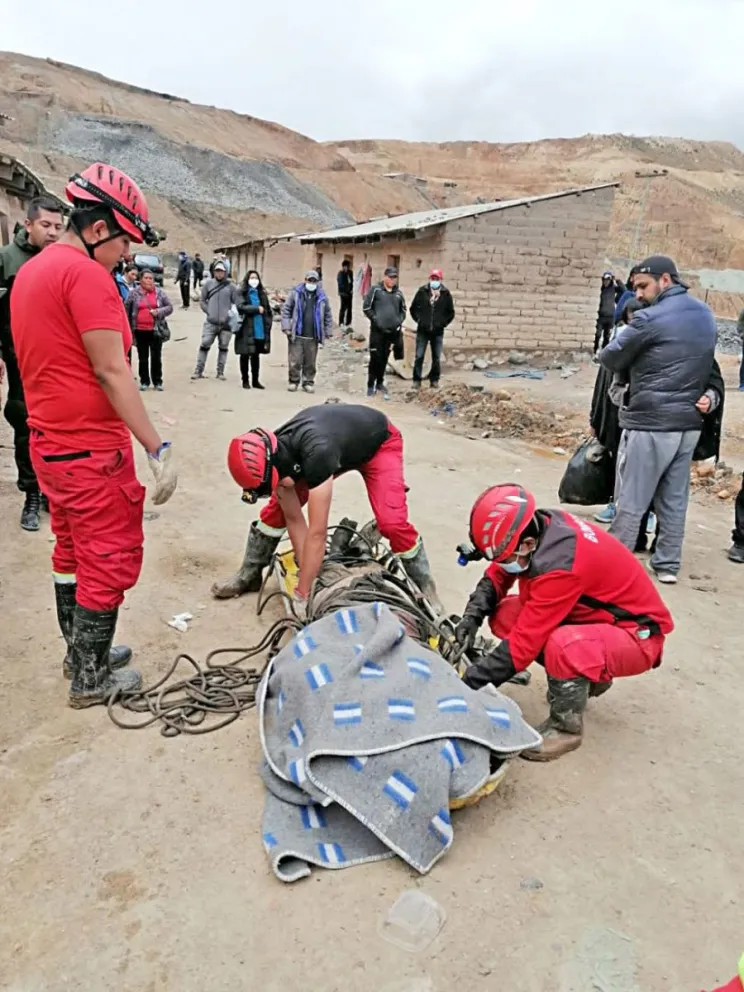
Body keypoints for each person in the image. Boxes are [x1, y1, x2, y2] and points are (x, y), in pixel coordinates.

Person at [10, 162, 178, 707]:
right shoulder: (87, 277)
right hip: (89, 450)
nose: (127, 255)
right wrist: (156, 444)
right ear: (100, 227)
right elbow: (111, 370)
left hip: (49, 444)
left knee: (72, 548)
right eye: (125, 241)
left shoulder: (34, 270)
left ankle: (80, 653)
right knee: (109, 554)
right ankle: (90, 678)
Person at [455, 483, 673, 760]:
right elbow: (498, 575)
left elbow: (523, 645)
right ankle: (587, 678)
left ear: (528, 544)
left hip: (637, 635)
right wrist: (472, 617)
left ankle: (566, 728)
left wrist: (467, 686)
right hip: (599, 619)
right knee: (506, 615)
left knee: (563, 645)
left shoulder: (561, 566)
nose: (503, 563)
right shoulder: (538, 526)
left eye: (505, 556)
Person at [212, 403, 442, 613]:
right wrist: (309, 577)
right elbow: (293, 518)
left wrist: (301, 595)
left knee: (392, 523)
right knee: (275, 513)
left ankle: (425, 587)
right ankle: (249, 575)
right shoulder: (273, 452)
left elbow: (317, 533)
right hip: (337, 442)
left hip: (379, 443)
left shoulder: (317, 455)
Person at [600, 255, 717, 584]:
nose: (637, 293)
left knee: (633, 497)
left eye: (642, 286)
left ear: (665, 280)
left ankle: (613, 564)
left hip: (651, 421)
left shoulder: (649, 319)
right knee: (674, 498)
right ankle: (667, 564)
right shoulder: (705, 315)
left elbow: (609, 356)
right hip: (688, 425)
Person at [0, 197, 65, 531]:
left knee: (58, 430)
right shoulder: (8, 260)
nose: (53, 233)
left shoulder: (66, 260)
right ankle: (32, 494)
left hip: (57, 361)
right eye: (46, 225)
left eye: (58, 226)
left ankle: (53, 492)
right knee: (25, 426)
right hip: (20, 359)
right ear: (28, 224)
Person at [280, 269, 333, 394]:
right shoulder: (296, 293)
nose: (312, 283)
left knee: (310, 361)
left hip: (313, 335)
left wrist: (328, 330)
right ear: (305, 280)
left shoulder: (322, 297)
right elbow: (286, 310)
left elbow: (327, 315)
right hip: (297, 333)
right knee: (295, 360)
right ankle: (293, 381)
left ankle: (308, 382)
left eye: (314, 281)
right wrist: (286, 327)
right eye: (310, 280)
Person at [126, 269, 173, 391]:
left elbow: (169, 307)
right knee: (143, 357)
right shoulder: (134, 294)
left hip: (156, 329)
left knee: (156, 356)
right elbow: (126, 309)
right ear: (140, 280)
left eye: (150, 278)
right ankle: (144, 381)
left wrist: (158, 312)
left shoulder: (159, 293)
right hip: (140, 330)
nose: (148, 280)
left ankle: (157, 381)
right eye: (146, 278)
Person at [191, 260, 240, 381]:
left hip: (226, 324)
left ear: (225, 272)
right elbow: (202, 300)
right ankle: (198, 370)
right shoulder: (208, 285)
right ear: (214, 272)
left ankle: (220, 372)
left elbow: (237, 303)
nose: (219, 274)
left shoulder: (231, 287)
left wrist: (232, 315)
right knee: (205, 344)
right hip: (211, 322)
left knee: (223, 347)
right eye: (217, 271)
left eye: (221, 271)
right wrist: (209, 311)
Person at [363, 266, 406, 399]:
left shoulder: (398, 294)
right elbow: (366, 308)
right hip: (377, 332)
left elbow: (403, 310)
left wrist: (399, 321)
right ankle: (370, 384)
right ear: (385, 277)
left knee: (385, 358)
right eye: (390, 277)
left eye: (394, 277)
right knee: (375, 358)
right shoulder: (375, 290)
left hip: (391, 333)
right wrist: (376, 320)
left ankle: (380, 383)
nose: (392, 280)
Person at [410, 268, 455, 390]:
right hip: (423, 331)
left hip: (438, 332)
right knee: (419, 356)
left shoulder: (445, 294)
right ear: (430, 279)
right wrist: (419, 320)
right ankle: (416, 380)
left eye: (437, 279)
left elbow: (450, 313)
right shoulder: (422, 291)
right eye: (433, 278)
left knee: (436, 357)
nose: (434, 281)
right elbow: (413, 309)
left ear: (441, 280)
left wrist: (442, 324)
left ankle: (434, 380)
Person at [235, 269, 272, 390]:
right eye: (251, 278)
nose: (254, 280)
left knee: (256, 356)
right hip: (245, 328)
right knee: (245, 355)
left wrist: (268, 324)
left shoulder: (262, 293)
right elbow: (240, 307)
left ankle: (255, 380)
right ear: (247, 279)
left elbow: (267, 311)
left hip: (259, 328)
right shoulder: (242, 292)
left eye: (256, 278)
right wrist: (256, 309)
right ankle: (245, 380)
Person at [594, 271, 620, 355]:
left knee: (607, 337)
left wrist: (617, 280)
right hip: (601, 316)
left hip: (610, 316)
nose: (606, 282)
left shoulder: (613, 288)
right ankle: (594, 351)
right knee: (597, 335)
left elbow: (623, 289)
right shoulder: (600, 288)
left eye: (608, 280)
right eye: (604, 280)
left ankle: (603, 353)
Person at [337, 259, 353, 329]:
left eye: (348, 266)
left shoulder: (350, 272)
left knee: (349, 308)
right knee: (343, 308)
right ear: (343, 267)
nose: (347, 268)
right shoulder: (340, 274)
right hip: (343, 293)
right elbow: (340, 285)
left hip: (349, 293)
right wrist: (347, 290)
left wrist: (351, 289)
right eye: (346, 267)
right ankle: (341, 322)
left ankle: (348, 322)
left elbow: (352, 281)